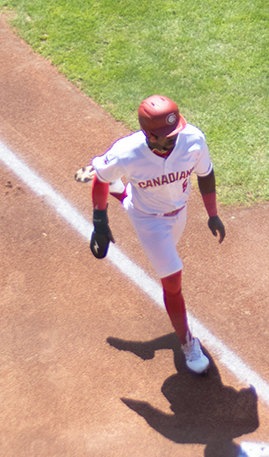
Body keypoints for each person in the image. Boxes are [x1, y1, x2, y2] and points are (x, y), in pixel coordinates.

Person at [81, 94, 226, 375]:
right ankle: (187, 342)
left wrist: (213, 213)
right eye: (166, 135)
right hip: (148, 221)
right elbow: (100, 179)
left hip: (179, 212)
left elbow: (205, 174)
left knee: (130, 190)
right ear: (148, 134)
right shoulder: (127, 152)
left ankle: (121, 192)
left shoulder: (193, 139)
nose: (174, 138)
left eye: (175, 132)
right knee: (172, 279)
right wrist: (99, 220)